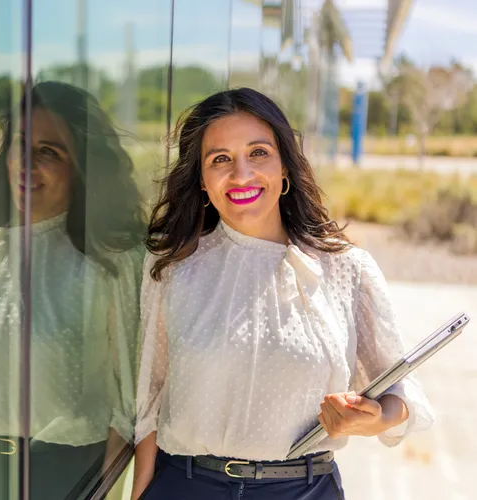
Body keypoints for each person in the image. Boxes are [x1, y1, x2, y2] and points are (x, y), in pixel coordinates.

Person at [131, 88, 435, 500]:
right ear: (202, 181)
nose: (241, 175)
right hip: (186, 486)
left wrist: (375, 417)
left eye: (258, 153)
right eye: (220, 159)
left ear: (285, 167)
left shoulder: (347, 269)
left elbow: (402, 393)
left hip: (304, 489)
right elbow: (150, 396)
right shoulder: (174, 266)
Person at [0, 81, 145, 499]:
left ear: (84, 166)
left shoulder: (114, 261)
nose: (26, 164)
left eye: (49, 152)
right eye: (20, 144)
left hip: (64, 475)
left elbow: (129, 410)